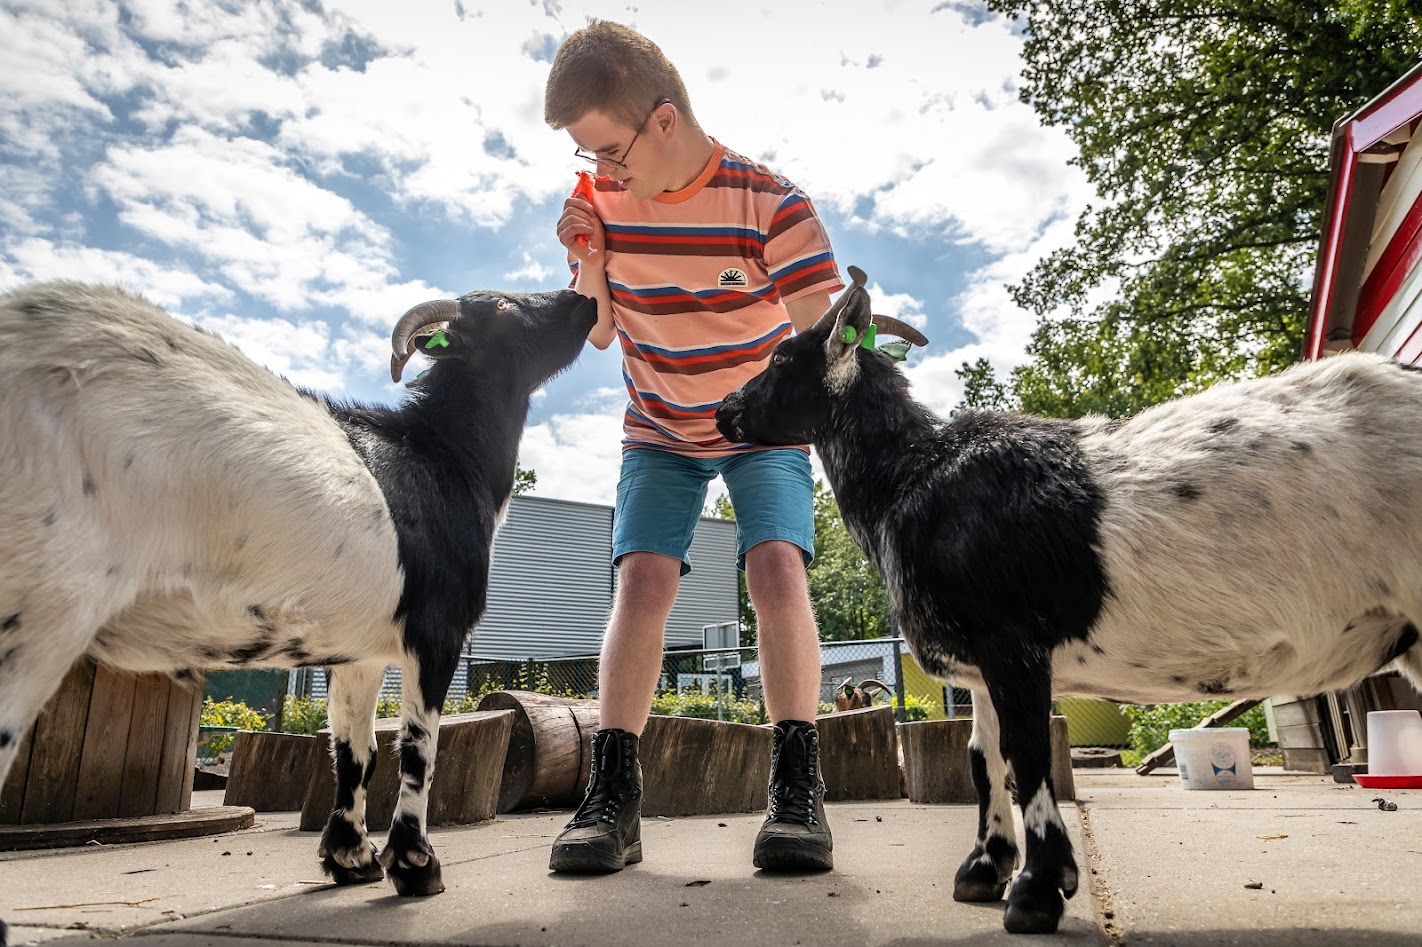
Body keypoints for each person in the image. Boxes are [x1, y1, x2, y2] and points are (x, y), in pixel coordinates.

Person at [543, 20, 844, 874]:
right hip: (659, 426)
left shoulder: (769, 203)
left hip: (759, 425)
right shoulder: (602, 205)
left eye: (609, 150)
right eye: (586, 157)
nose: (601, 172)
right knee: (641, 579)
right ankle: (612, 797)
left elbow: (822, 349)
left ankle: (796, 789)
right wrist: (588, 261)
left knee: (776, 567)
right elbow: (599, 333)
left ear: (663, 121)